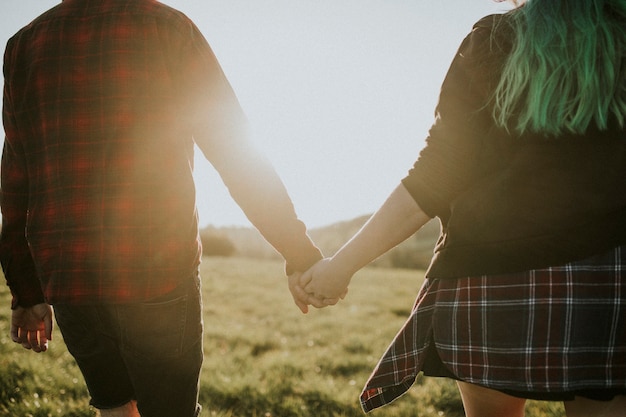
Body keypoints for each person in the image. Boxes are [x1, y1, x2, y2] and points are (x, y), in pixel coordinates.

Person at [294, 0, 626, 416]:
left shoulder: (495, 40)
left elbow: (438, 173)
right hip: (608, 280)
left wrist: (340, 266)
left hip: (491, 279)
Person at [1, 1, 322, 416]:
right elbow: (233, 150)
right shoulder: (165, 27)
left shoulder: (25, 44)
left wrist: (26, 292)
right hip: (157, 272)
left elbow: (15, 177)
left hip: (71, 277)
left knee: (115, 409)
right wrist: (297, 251)